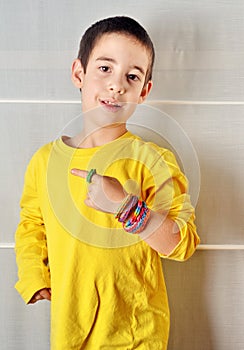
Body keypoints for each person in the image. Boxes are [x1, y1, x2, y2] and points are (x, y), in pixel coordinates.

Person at [15, 16, 200, 350]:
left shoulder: (153, 160)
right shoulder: (44, 161)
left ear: (143, 91)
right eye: (105, 69)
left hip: (136, 334)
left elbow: (182, 243)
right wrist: (33, 275)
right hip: (69, 331)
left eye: (131, 76)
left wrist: (125, 207)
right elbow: (31, 224)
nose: (117, 85)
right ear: (78, 74)